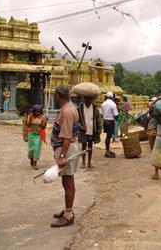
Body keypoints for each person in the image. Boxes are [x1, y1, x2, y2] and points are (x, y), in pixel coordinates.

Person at [50, 85, 80, 228]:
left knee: (68, 182)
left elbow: (67, 137)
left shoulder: (67, 111)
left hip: (66, 149)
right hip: (65, 148)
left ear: (57, 96)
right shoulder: (69, 108)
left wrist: (62, 155)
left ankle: (69, 215)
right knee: (66, 181)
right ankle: (68, 209)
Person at [78, 95, 101, 168]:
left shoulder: (95, 109)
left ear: (92, 100)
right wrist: (81, 126)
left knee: (90, 146)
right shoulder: (80, 108)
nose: (88, 101)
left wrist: (99, 130)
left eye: (89, 99)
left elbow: (98, 120)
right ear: (84, 99)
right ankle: (83, 162)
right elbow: (76, 120)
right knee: (83, 146)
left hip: (91, 130)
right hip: (83, 131)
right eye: (86, 99)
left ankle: (89, 162)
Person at [26, 105, 47, 170]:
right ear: (34, 111)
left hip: (38, 135)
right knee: (31, 149)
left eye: (39, 111)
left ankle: (35, 163)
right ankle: (31, 159)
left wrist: (41, 125)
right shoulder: (30, 116)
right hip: (31, 134)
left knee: (37, 148)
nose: (38, 113)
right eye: (36, 111)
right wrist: (29, 119)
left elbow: (44, 126)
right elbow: (28, 124)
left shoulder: (43, 117)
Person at [100, 92, 119, 158]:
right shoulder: (113, 104)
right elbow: (116, 115)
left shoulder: (103, 104)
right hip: (110, 121)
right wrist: (116, 118)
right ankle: (107, 151)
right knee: (108, 136)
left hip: (105, 121)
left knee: (108, 136)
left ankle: (107, 150)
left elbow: (101, 114)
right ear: (112, 97)